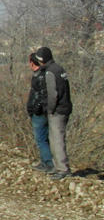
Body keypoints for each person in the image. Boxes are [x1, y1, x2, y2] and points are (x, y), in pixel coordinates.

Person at [34, 46, 72, 179]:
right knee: (57, 138)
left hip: (57, 111)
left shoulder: (50, 72)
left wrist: (49, 110)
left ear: (42, 60)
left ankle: (62, 169)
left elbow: (53, 94)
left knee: (57, 140)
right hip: (65, 107)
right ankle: (59, 167)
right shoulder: (59, 69)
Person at [26, 52, 53, 173]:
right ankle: (47, 162)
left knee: (41, 139)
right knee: (45, 138)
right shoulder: (44, 74)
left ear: (32, 63)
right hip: (44, 112)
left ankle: (48, 163)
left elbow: (42, 96)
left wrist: (35, 109)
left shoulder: (40, 76)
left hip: (40, 113)